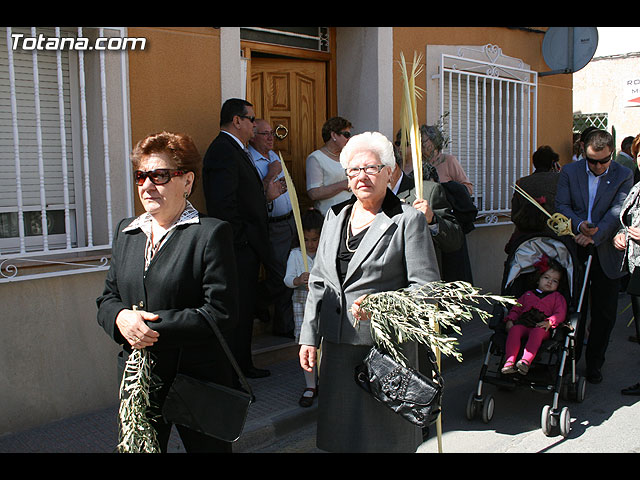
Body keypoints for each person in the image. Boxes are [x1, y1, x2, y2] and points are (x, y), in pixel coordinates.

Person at [96, 132, 239, 452]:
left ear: (187, 181)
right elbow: (106, 299)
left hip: (197, 380)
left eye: (160, 176)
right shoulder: (126, 232)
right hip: (139, 381)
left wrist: (146, 327)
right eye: (141, 176)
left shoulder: (210, 233)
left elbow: (221, 312)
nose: (147, 185)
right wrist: (120, 317)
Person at [298, 131, 441, 452]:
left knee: (382, 439)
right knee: (341, 437)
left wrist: (384, 306)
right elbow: (319, 280)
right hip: (336, 348)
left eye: (371, 168)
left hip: (384, 351)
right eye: (353, 170)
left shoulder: (407, 220)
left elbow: (427, 290)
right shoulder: (335, 217)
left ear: (389, 172)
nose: (362, 176)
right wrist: (309, 336)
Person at [202, 98, 275, 379]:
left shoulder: (236, 149)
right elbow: (224, 204)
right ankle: (233, 374)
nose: (255, 125)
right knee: (237, 311)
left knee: (246, 309)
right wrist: (242, 241)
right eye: (251, 119)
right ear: (237, 121)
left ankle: (243, 366)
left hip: (248, 245)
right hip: (237, 248)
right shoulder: (223, 150)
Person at [555, 128, 633, 384]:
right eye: (592, 161)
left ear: (611, 154)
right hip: (575, 248)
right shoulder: (569, 172)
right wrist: (579, 226)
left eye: (604, 160)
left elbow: (618, 211)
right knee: (575, 307)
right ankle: (570, 359)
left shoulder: (624, 174)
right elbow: (562, 206)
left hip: (605, 250)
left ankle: (595, 362)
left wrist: (596, 234)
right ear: (583, 152)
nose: (598, 166)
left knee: (604, 312)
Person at [248, 119, 296, 338]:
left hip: (289, 221)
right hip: (271, 226)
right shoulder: (249, 158)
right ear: (252, 135)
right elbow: (256, 195)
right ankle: (256, 300)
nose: (270, 138)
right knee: (280, 277)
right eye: (265, 134)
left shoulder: (274, 156)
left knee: (294, 272)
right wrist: (270, 173)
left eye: (272, 134)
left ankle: (284, 325)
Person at [391, 144, 463, 276]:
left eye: (372, 168)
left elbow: (455, 240)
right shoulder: (361, 198)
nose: (363, 176)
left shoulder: (427, 191)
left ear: (391, 167)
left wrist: (432, 220)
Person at [284, 208, 324, 407]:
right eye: (306, 240)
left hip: (324, 304)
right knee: (306, 344)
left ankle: (325, 382)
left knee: (323, 344)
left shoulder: (326, 253)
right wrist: (299, 279)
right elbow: (287, 280)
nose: (310, 244)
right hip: (302, 304)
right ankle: (310, 385)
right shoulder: (295, 255)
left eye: (315, 239)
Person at [501, 256, 567, 375]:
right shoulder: (527, 294)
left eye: (555, 281)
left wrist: (550, 321)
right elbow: (516, 308)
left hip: (542, 326)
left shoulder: (557, 297)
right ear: (538, 279)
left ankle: (525, 362)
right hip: (524, 323)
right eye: (546, 277)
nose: (550, 282)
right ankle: (509, 362)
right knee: (515, 330)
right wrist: (511, 319)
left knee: (537, 332)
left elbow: (560, 313)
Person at [613, 133, 640, 395]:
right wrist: (620, 235)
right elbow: (626, 220)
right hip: (636, 267)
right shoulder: (637, 187)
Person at [506, 145, 561, 253]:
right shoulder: (561, 181)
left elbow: (514, 215)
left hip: (526, 240)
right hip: (556, 239)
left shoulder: (522, 183)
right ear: (553, 163)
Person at [306, 116, 353, 215]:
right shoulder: (316, 158)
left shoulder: (348, 156)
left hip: (351, 214)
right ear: (334, 135)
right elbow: (314, 193)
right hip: (329, 216)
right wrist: (343, 185)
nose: (349, 138)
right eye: (346, 134)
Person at [420, 123, 473, 195]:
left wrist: (446, 189)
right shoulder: (418, 163)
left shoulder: (449, 161)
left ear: (433, 141)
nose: (420, 145)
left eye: (422, 141)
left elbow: (468, 189)